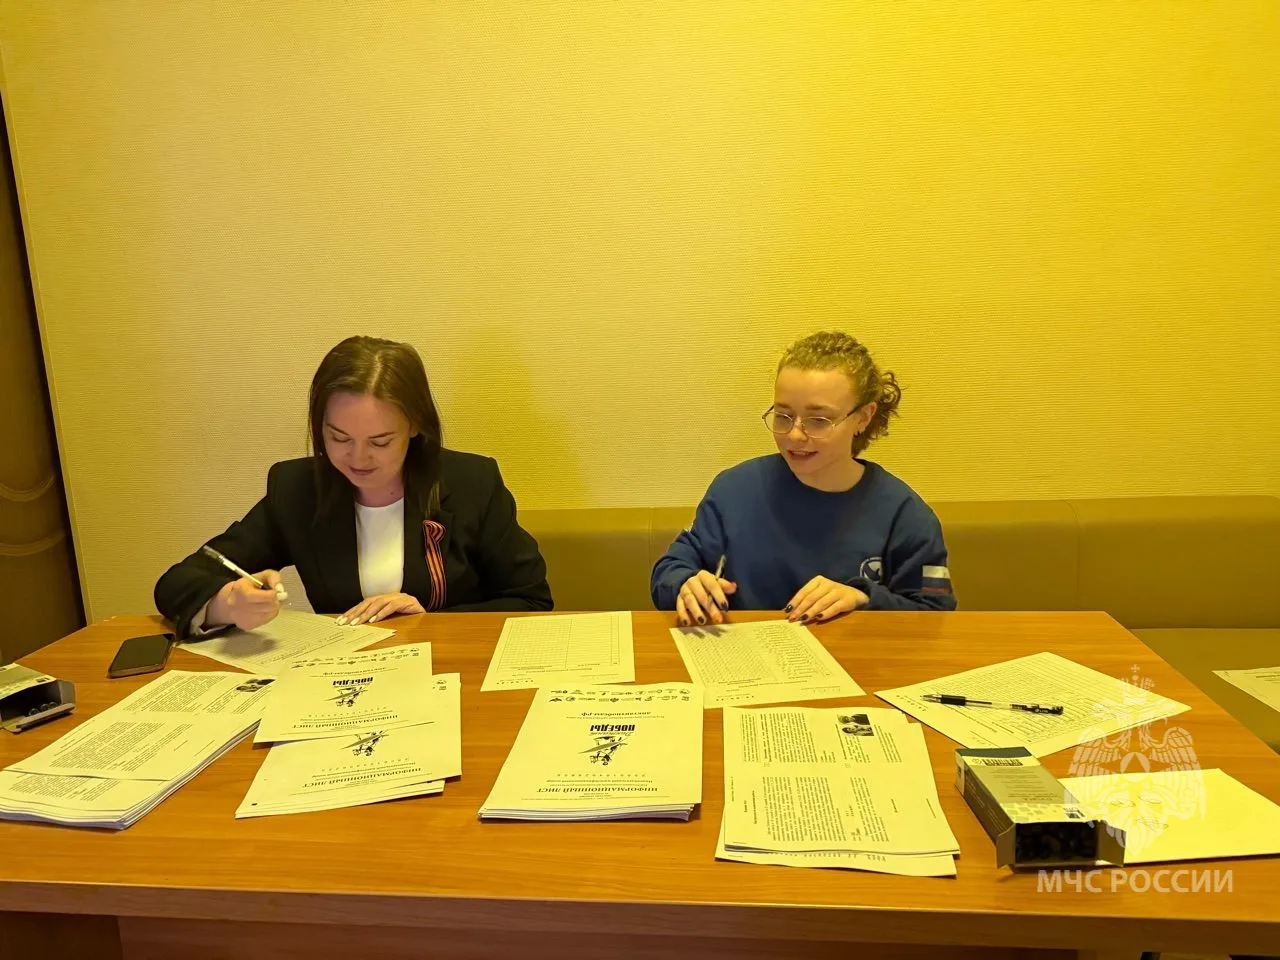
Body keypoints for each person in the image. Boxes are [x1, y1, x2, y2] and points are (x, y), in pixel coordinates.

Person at [155, 336, 552, 638]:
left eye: (380, 441)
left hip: (452, 674)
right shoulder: (297, 490)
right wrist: (227, 604)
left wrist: (430, 620)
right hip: (343, 683)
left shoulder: (471, 483)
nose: (358, 458)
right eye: (339, 438)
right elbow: (178, 582)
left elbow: (531, 601)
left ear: (415, 427)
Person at [651, 330, 955, 627]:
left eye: (818, 420)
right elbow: (671, 568)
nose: (795, 435)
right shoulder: (734, 490)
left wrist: (864, 599)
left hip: (856, 657)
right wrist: (685, 584)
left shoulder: (905, 514)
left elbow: (937, 614)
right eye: (783, 416)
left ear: (863, 418)